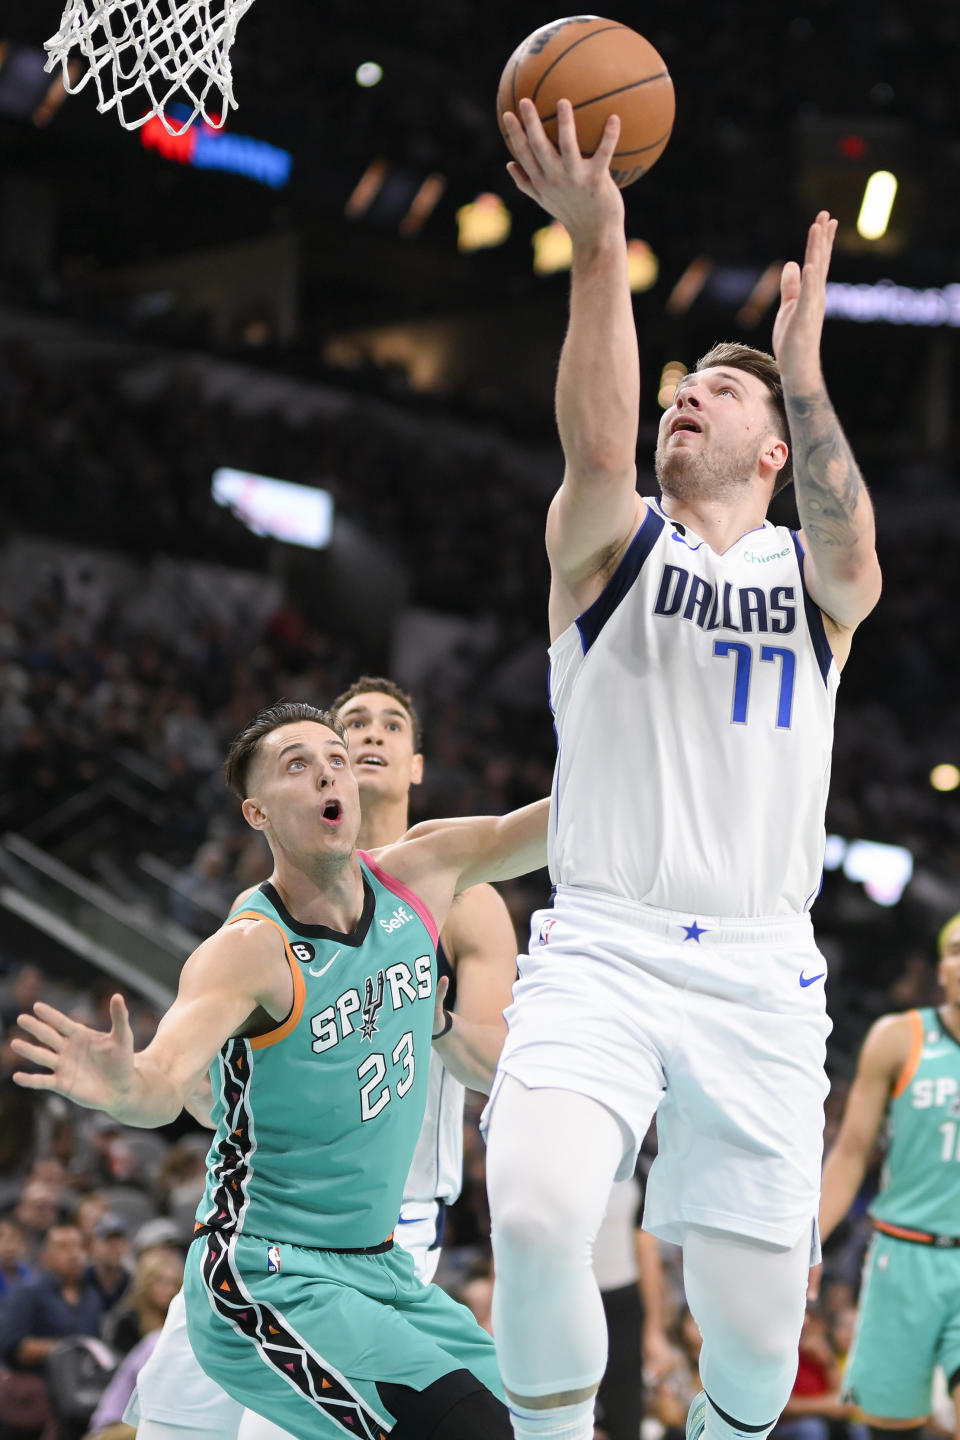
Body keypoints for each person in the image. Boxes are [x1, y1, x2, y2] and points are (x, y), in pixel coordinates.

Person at [484, 97, 882, 1440]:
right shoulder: (612, 553)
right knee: (537, 1214)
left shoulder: (810, 581)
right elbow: (594, 445)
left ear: (773, 451)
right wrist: (601, 247)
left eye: (715, 392)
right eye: (679, 386)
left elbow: (855, 550)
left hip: (763, 975)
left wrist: (801, 369)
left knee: (760, 1349)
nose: (682, 399)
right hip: (600, 943)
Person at [12, 700, 549, 1440]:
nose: (329, 768)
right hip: (265, 1273)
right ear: (257, 812)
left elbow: (556, 824)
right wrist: (124, 1088)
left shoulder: (421, 876)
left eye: (334, 756)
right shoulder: (249, 948)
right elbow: (166, 1078)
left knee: (537, 1423)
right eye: (298, 764)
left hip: (377, 1265)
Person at [818, 911, 960, 1437]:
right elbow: (852, 1152)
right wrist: (810, 1241)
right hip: (903, 1256)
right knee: (889, 1426)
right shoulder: (900, 1037)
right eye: (955, 951)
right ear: (939, 970)